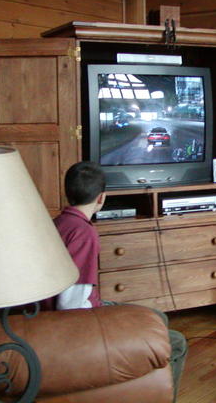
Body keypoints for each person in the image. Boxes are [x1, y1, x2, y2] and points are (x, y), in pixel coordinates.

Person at [54, 161, 187, 402]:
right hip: (81, 319)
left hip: (81, 308)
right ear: (102, 198)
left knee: (159, 317)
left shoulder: (59, 223)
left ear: (67, 192)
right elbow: (71, 303)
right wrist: (104, 320)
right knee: (176, 342)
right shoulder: (84, 233)